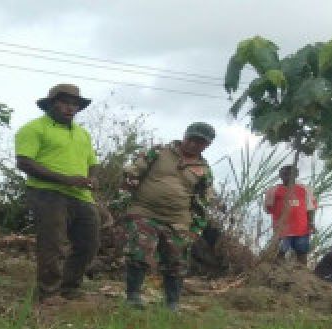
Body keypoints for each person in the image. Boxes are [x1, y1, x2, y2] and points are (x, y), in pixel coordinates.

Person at [112, 123, 216, 311]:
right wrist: (122, 202)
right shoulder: (159, 152)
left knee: (177, 260)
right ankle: (133, 296)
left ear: (206, 145)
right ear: (184, 136)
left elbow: (203, 202)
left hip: (178, 220)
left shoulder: (204, 170)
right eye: (191, 139)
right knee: (139, 250)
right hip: (143, 211)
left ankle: (172, 303)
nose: (193, 144)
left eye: (200, 142)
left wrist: (196, 228)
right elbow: (133, 173)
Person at [15, 84, 101, 304]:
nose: (70, 108)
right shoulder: (33, 129)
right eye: (64, 102)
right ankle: (48, 291)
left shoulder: (83, 134)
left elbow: (93, 163)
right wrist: (65, 179)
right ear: (52, 104)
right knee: (52, 243)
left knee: (88, 244)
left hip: (81, 195)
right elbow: (24, 163)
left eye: (74, 104)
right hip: (47, 193)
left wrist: (92, 178)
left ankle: (70, 287)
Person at [263, 165, 317, 266]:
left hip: (301, 228)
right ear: (280, 175)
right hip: (282, 229)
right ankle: (279, 273)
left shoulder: (305, 189)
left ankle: (303, 275)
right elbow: (268, 209)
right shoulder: (272, 191)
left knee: (302, 253)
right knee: (280, 252)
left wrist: (311, 223)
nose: (286, 176)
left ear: (296, 175)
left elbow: (310, 208)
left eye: (290, 173)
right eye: (284, 174)